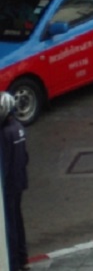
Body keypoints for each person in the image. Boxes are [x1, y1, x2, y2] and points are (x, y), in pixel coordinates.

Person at [0, 93, 28, 271]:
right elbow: (25, 157)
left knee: (10, 224)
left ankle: (14, 262)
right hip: (20, 180)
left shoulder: (4, 133)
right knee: (18, 219)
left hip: (9, 185)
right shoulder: (19, 127)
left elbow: (4, 163)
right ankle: (22, 257)